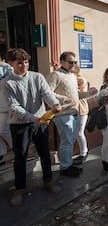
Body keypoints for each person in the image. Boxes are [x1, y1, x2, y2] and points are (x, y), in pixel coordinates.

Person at [4, 48, 62, 206]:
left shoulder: (37, 77)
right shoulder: (7, 83)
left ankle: (48, 180)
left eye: (26, 62)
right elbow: (14, 107)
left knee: (44, 152)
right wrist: (34, 118)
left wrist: (55, 104)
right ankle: (19, 188)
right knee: (20, 156)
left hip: (41, 122)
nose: (24, 65)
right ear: (11, 64)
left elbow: (46, 93)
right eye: (20, 63)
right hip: (19, 124)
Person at [47, 51, 96, 178]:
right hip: (63, 114)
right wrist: (63, 99)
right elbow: (47, 92)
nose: (73, 64)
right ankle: (65, 167)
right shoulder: (55, 75)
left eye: (75, 62)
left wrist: (88, 93)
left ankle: (68, 164)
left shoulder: (72, 76)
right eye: (71, 62)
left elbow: (75, 95)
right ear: (62, 61)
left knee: (70, 141)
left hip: (74, 113)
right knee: (67, 141)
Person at [73, 68, 90, 165]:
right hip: (72, 110)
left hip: (82, 110)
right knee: (76, 133)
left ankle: (84, 152)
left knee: (79, 132)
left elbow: (78, 94)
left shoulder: (81, 80)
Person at [0, 52, 13, 165]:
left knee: (3, 130)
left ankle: (18, 148)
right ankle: (1, 155)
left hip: (3, 105)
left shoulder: (7, 69)